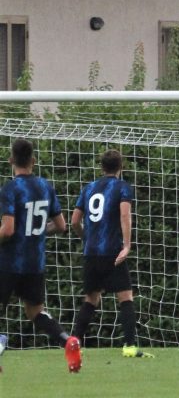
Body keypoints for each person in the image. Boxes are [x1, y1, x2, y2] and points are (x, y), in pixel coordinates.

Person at [0, 138, 81, 372]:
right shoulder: (46, 186)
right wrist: (37, 233)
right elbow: (62, 225)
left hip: (9, 262)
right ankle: (68, 341)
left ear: (11, 160)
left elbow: (7, 230)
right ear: (33, 161)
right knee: (36, 312)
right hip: (35, 263)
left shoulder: (10, 188)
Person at [71, 150, 153, 358]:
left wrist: (86, 237)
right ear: (121, 167)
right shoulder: (122, 187)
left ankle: (73, 342)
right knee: (125, 296)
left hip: (91, 253)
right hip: (112, 251)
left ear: (101, 167)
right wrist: (127, 245)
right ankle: (129, 346)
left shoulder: (88, 188)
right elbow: (125, 214)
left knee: (90, 299)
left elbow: (73, 221)